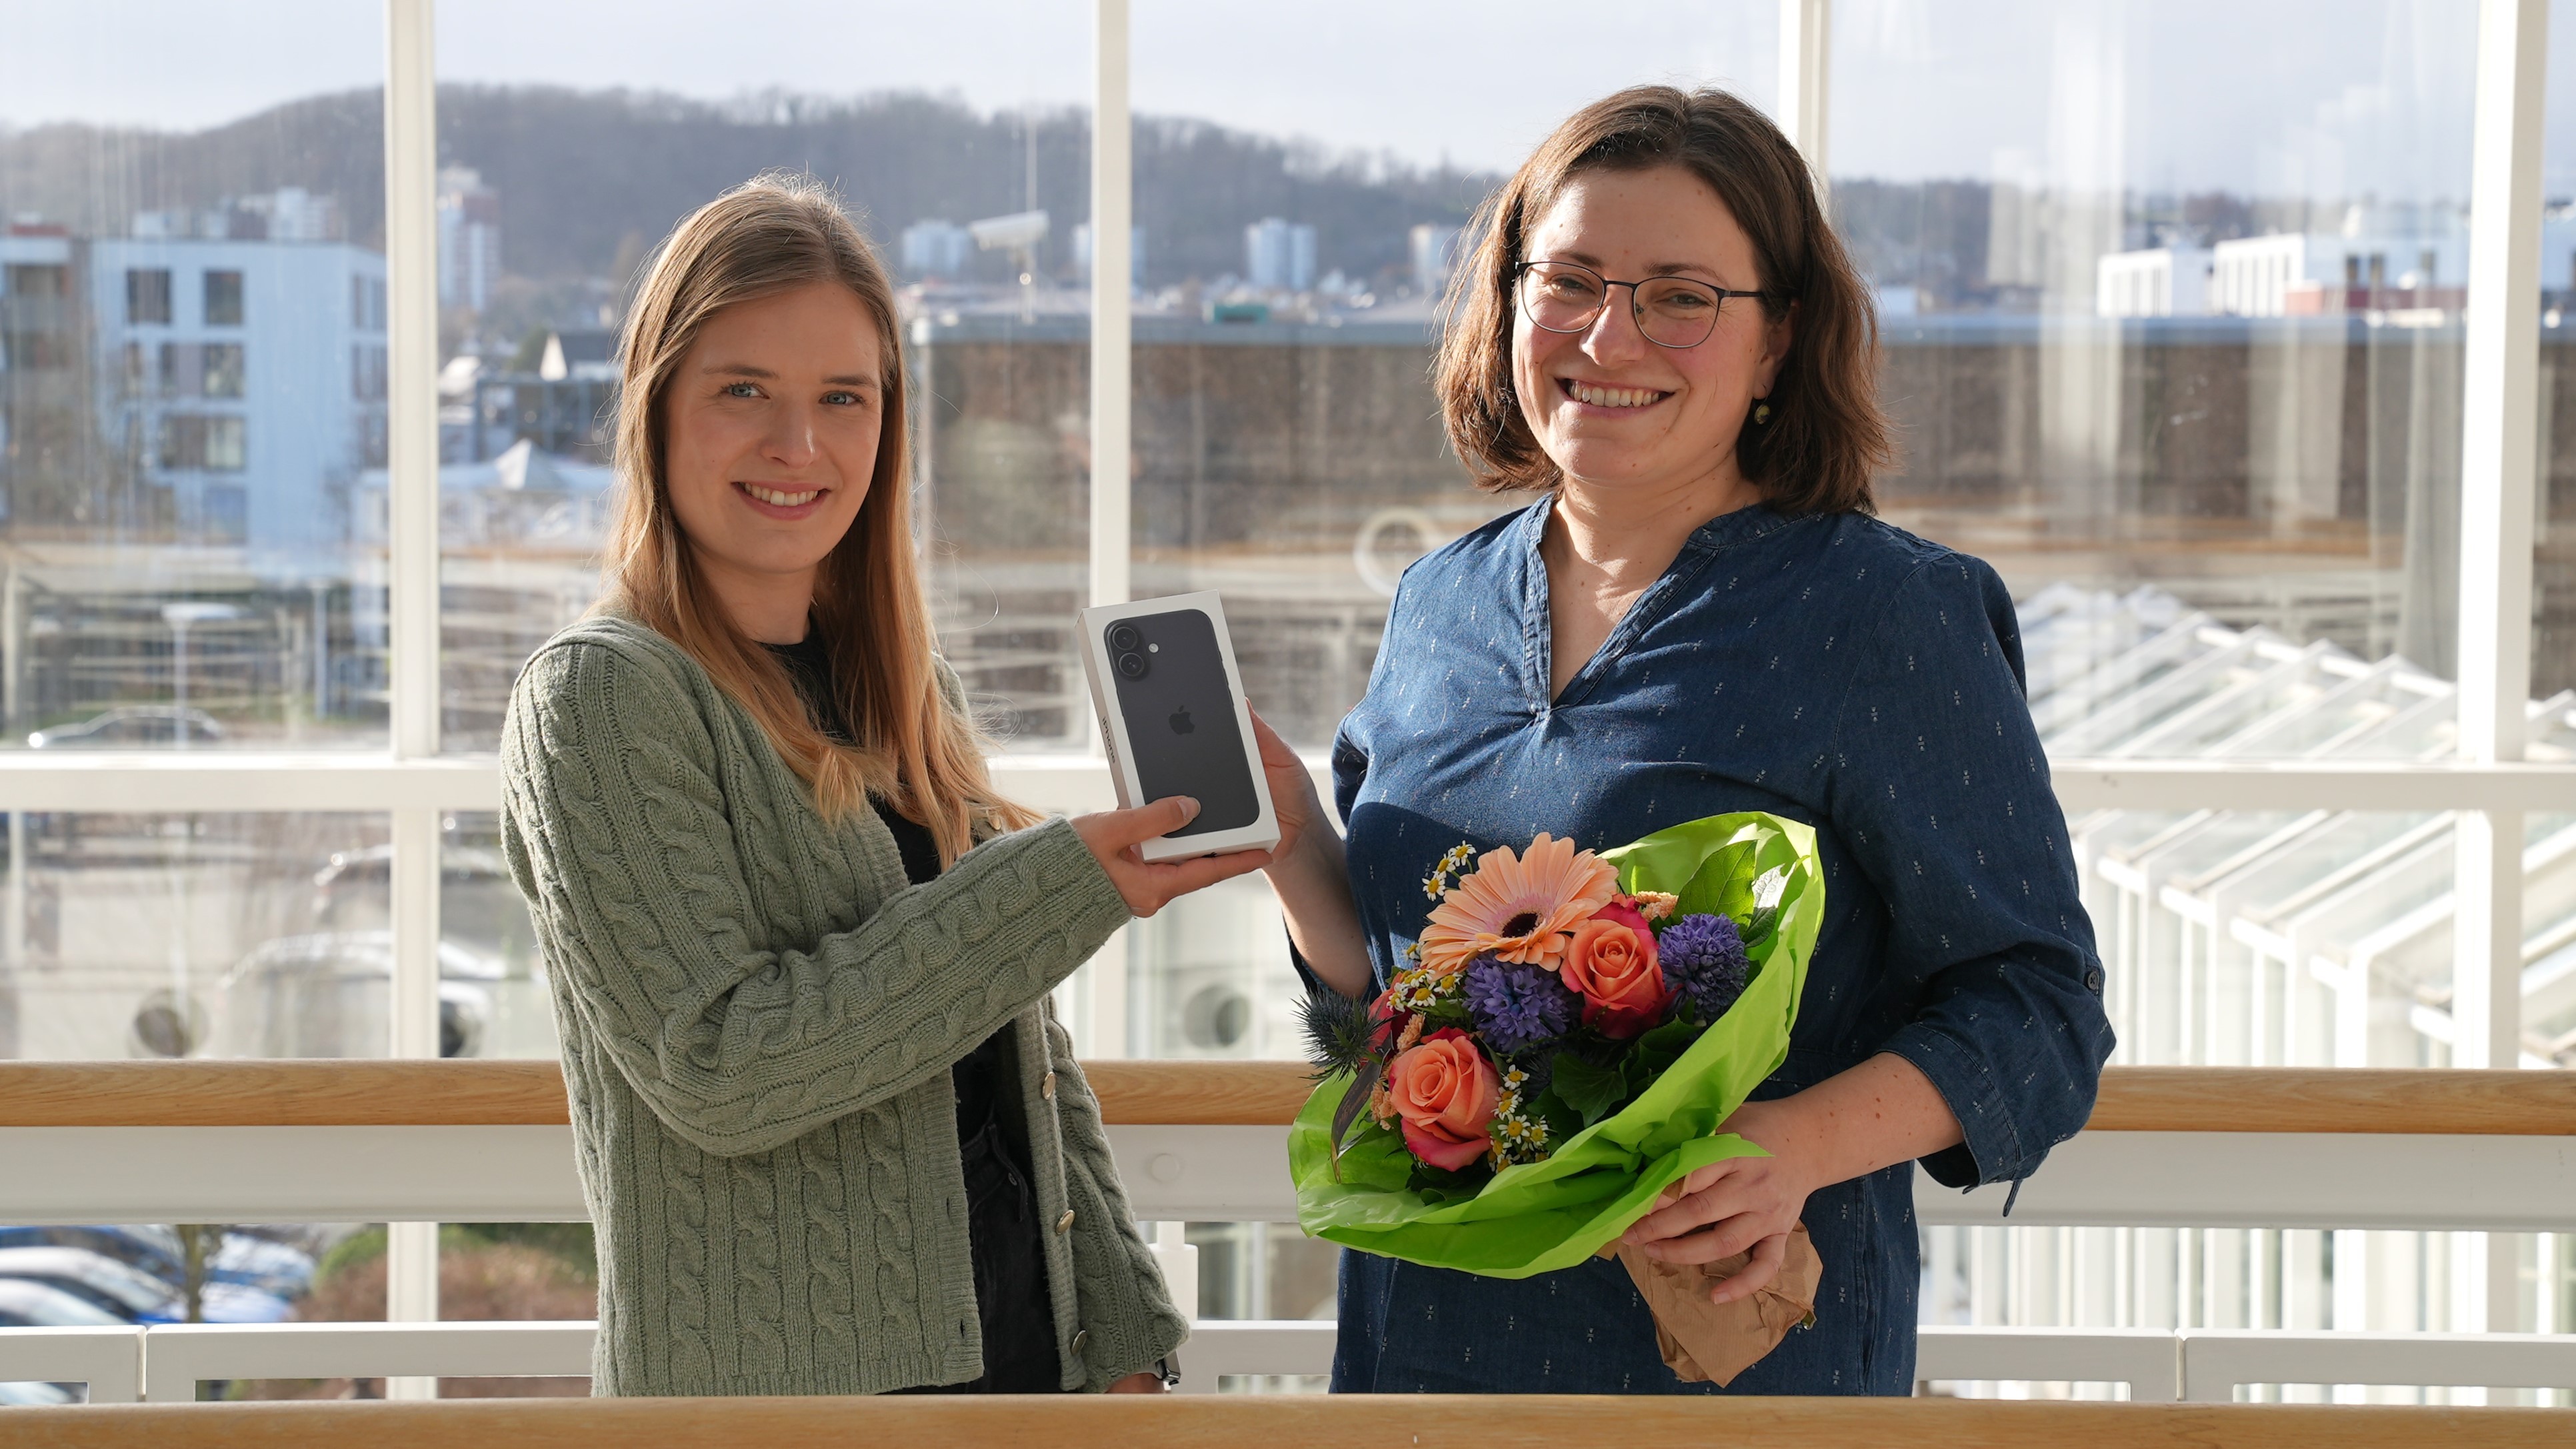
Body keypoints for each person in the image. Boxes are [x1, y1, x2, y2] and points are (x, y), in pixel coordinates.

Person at [1251, 86, 2115, 1395]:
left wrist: (1802, 1143)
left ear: (1777, 344)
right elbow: (1393, 1017)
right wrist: (1285, 840)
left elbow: (2041, 1007)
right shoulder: (1439, 606)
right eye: (1573, 279)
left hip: (1724, 1370)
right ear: (1508, 299)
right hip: (1424, 1358)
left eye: (1680, 294)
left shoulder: (1884, 613)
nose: (1611, 332)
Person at [500, 174, 1264, 1397]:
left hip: (1023, 1373)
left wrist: (1124, 1336)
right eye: (743, 390)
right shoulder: (599, 697)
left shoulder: (907, 692)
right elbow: (719, 1067)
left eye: (842, 398)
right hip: (789, 1408)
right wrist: (1054, 886)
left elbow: (1025, 1058)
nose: (798, 446)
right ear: (656, 410)